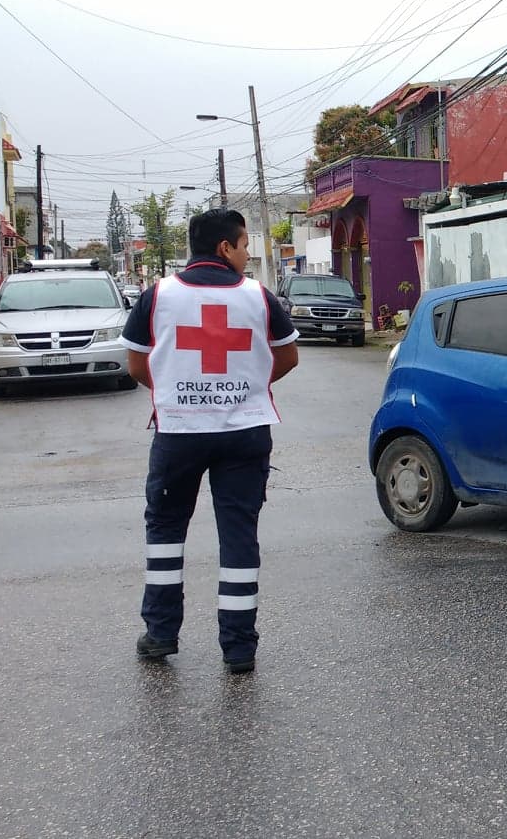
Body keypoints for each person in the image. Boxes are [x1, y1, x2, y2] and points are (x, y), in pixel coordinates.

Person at [121, 208, 300, 674]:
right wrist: (247, 388)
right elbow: (288, 357)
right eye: (243, 245)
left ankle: (161, 633)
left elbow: (138, 366)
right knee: (239, 536)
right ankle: (239, 649)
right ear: (225, 247)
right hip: (244, 433)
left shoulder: (157, 295)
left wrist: (180, 394)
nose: (247, 253)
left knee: (164, 531)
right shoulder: (258, 297)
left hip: (178, 433)